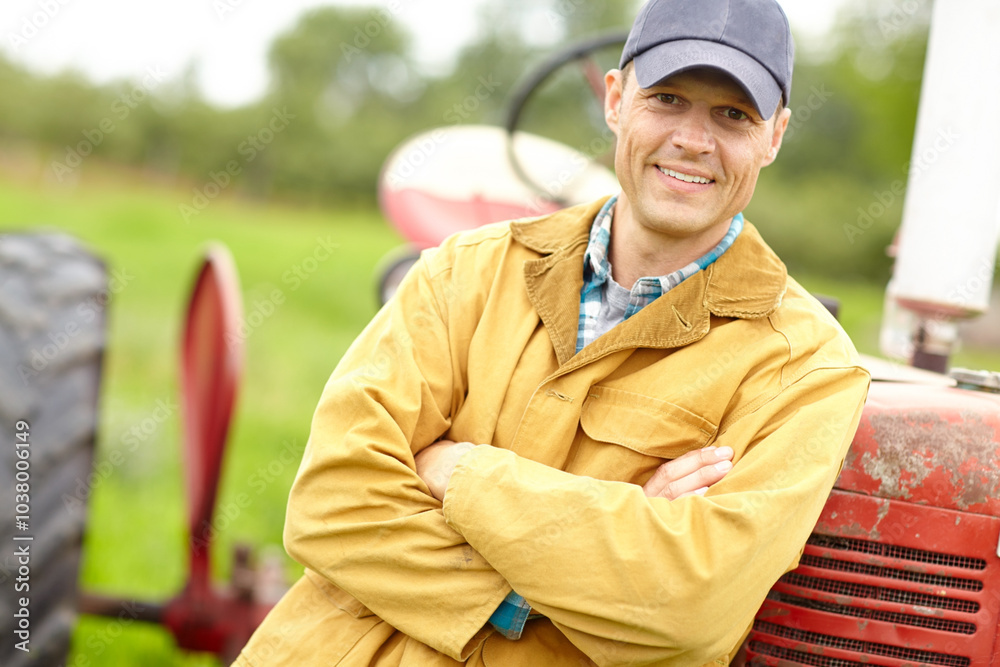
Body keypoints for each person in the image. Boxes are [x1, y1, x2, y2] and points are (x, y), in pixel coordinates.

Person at [235, 0, 870, 664]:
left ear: (775, 136)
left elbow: (686, 606)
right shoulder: (467, 268)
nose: (693, 139)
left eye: (733, 115)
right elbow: (332, 500)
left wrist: (458, 472)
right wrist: (562, 576)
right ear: (616, 99)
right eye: (669, 98)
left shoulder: (807, 367)